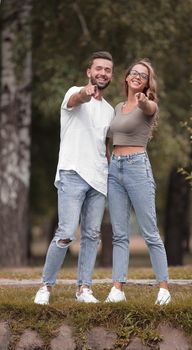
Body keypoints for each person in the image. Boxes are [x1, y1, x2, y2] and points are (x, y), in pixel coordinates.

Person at [34, 51, 114, 305]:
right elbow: (76, 99)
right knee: (66, 233)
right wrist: (85, 92)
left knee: (91, 235)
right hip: (72, 174)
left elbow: (106, 146)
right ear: (89, 72)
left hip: (98, 180)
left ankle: (84, 289)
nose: (102, 73)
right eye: (98, 68)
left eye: (107, 70)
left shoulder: (110, 110)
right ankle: (45, 286)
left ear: (111, 76)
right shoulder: (73, 93)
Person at [105, 59, 171, 305]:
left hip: (137, 167)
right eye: (133, 72)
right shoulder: (118, 106)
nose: (136, 76)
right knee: (119, 234)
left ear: (146, 82)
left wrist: (143, 100)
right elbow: (108, 137)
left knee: (149, 232)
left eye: (142, 75)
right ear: (126, 77)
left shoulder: (149, 105)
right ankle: (117, 289)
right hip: (115, 171)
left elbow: (149, 108)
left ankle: (163, 288)